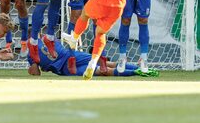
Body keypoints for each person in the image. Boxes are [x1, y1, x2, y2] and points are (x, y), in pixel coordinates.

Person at [27, 39, 159, 77]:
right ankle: (139, 69)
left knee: (104, 70)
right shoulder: (48, 37)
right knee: (106, 66)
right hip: (72, 58)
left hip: (68, 66)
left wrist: (36, 68)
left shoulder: (31, 54)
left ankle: (137, 71)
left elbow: (36, 72)